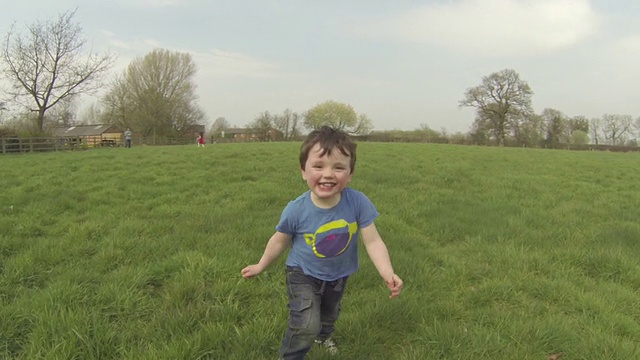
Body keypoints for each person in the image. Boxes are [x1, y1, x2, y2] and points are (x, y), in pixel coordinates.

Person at [241, 126, 403, 360]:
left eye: (339, 167)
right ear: (303, 171)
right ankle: (292, 356)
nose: (328, 174)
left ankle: (323, 336)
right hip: (302, 272)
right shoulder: (296, 209)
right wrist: (260, 265)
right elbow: (279, 240)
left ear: (350, 173)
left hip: (339, 274)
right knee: (306, 323)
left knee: (329, 314)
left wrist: (388, 272)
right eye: (318, 166)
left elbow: (374, 241)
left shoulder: (357, 202)